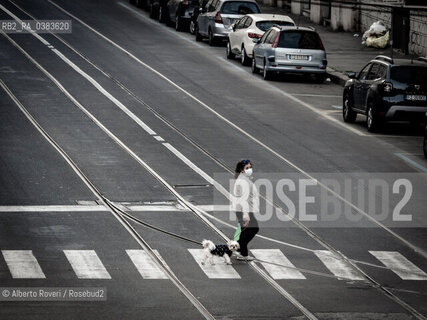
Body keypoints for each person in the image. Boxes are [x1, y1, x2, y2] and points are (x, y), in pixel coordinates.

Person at [232, 159, 259, 260]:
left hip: (243, 210)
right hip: (244, 210)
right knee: (253, 229)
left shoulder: (244, 179)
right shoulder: (243, 181)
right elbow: (244, 199)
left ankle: (241, 251)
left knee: (245, 230)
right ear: (242, 170)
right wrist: (245, 214)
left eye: (250, 167)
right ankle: (240, 251)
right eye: (247, 168)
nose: (250, 169)